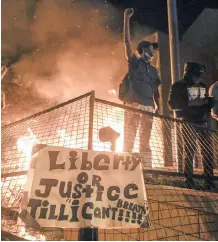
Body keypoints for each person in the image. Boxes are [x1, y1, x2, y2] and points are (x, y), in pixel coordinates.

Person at [119, 8, 161, 168]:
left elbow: (155, 89)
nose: (154, 51)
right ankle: (125, 170)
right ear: (143, 50)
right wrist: (126, 18)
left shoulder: (154, 70)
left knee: (145, 140)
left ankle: (147, 171)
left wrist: (157, 106)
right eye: (151, 48)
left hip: (148, 108)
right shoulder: (135, 63)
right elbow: (126, 43)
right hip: (133, 105)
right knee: (129, 138)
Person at [168, 62, 215, 189]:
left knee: (208, 152)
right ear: (189, 73)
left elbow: (205, 104)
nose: (198, 77)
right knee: (189, 152)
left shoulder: (202, 85)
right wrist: (192, 103)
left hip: (203, 122)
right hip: (188, 122)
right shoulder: (179, 86)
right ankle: (189, 181)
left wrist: (208, 103)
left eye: (199, 75)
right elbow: (172, 104)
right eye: (196, 75)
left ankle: (209, 182)